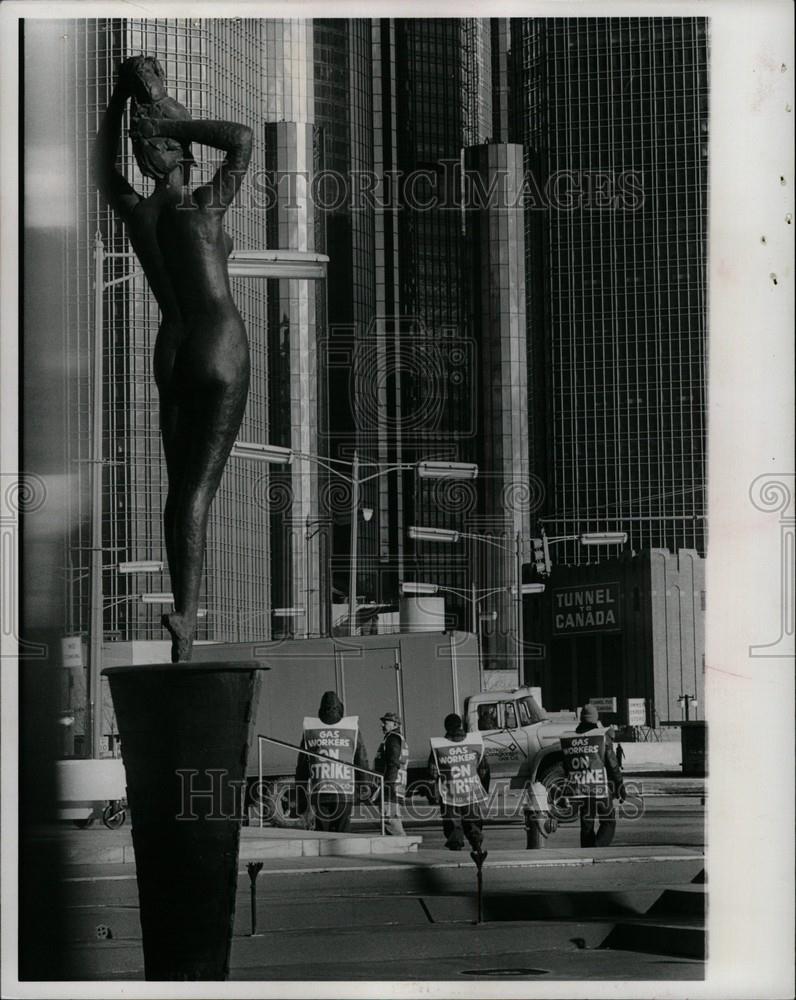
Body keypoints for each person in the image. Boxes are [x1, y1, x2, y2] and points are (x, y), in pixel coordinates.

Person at [96, 56, 253, 662]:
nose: (140, 155)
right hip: (219, 346)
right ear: (178, 150)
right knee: (201, 491)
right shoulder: (204, 207)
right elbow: (240, 140)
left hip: (173, 350)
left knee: (176, 491)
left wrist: (119, 99)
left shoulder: (140, 215)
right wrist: (174, 122)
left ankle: (183, 617)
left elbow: (105, 166)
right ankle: (186, 616)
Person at [295, 691, 368, 833]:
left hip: (320, 791)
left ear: (321, 709)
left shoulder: (311, 729)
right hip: (344, 792)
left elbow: (302, 766)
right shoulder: (352, 728)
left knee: (322, 833)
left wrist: (301, 798)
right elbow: (361, 760)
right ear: (340, 708)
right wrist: (364, 784)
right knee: (343, 833)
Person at [565, 704, 626, 848]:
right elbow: (612, 765)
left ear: (581, 718)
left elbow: (566, 765)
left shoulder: (573, 739)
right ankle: (598, 848)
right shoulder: (601, 738)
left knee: (587, 824)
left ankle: (587, 851)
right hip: (600, 787)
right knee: (608, 821)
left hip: (581, 788)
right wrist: (620, 785)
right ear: (595, 719)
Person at [428, 713, 490, 851]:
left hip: (450, 793)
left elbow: (432, 772)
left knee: (453, 823)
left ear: (446, 727)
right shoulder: (474, 743)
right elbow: (484, 769)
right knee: (473, 820)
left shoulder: (439, 746)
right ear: (460, 725)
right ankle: (476, 844)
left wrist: (434, 791)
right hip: (471, 791)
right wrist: (484, 788)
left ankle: (455, 846)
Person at [373, 712, 408, 835]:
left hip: (391, 784)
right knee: (391, 818)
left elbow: (393, 763)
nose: (382, 725)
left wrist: (388, 784)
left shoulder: (392, 738)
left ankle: (402, 846)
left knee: (391, 820)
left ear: (394, 724)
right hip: (396, 784)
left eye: (385, 722)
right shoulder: (397, 738)